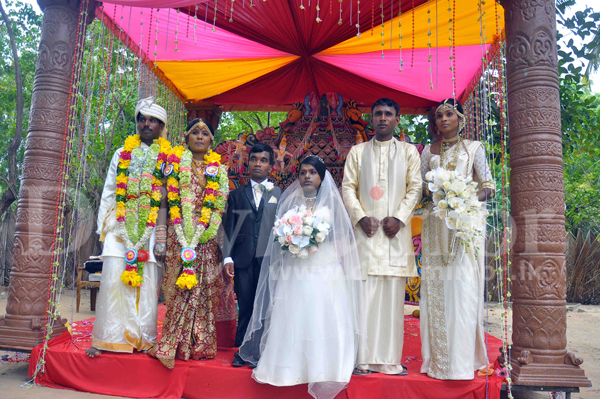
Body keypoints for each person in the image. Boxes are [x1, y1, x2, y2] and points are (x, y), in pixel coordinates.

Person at [239, 156, 364, 399]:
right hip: (295, 269)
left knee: (321, 314)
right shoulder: (289, 205)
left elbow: (341, 236)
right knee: (294, 314)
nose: (307, 176)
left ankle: (324, 367)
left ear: (321, 177)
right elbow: (278, 237)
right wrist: (289, 235)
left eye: (312, 172)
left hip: (324, 268)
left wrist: (313, 234)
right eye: (303, 172)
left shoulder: (331, 205)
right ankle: (289, 367)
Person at [342, 97, 422, 375]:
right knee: (363, 301)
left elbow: (416, 187)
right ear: (371, 118)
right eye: (378, 114)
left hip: (394, 238)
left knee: (391, 303)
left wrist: (400, 219)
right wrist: (360, 217)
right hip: (365, 236)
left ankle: (389, 360)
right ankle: (361, 360)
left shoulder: (410, 152)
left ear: (397, 119)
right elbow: (348, 187)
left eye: (388, 114)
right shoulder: (357, 152)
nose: (383, 118)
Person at [87, 97, 170, 357]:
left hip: (150, 229)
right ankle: (107, 339)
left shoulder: (168, 158)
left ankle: (143, 339)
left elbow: (170, 198)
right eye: (142, 119)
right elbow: (109, 191)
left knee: (147, 283)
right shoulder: (121, 154)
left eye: (152, 120)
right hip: (120, 228)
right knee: (113, 279)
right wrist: (106, 227)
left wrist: (161, 235)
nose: (146, 123)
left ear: (161, 126)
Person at [419, 98, 494, 380]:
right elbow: (422, 187)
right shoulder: (429, 150)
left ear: (461, 118)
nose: (443, 120)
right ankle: (436, 360)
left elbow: (488, 186)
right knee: (437, 287)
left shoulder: (474, 148)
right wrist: (438, 194)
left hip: (464, 227)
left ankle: (462, 361)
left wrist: (463, 198)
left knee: (461, 288)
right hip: (435, 225)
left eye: (449, 114)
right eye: (439, 116)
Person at [148, 118, 230, 369]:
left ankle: (200, 344)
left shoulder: (220, 170)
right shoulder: (171, 166)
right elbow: (162, 203)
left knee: (205, 290)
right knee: (177, 289)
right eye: (195, 132)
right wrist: (160, 238)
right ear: (186, 137)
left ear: (211, 141)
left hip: (206, 236)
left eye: (205, 134)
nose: (200, 137)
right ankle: (175, 343)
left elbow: (221, 210)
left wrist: (217, 240)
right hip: (177, 235)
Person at [223, 143, 282, 367]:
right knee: (246, 304)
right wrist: (228, 257)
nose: (258, 163)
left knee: (266, 305)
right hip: (243, 258)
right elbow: (229, 228)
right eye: (254, 159)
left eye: (263, 160)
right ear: (248, 163)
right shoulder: (237, 195)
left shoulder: (279, 194)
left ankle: (262, 350)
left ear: (271, 166)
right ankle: (242, 350)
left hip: (269, 259)